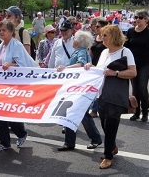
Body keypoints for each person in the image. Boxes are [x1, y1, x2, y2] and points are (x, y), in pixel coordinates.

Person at [85, 25, 137, 169]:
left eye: (105, 35)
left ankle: (108, 156)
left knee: (111, 124)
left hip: (115, 95)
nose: (102, 38)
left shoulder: (125, 52)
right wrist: (91, 66)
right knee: (103, 123)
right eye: (102, 35)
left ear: (114, 36)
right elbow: (100, 70)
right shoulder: (104, 52)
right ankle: (112, 146)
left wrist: (116, 73)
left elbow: (133, 72)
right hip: (101, 94)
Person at [0, 20, 36, 151]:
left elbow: (23, 66)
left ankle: (20, 133)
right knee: (0, 112)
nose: (1, 32)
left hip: (13, 85)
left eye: (4, 30)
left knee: (7, 113)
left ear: (11, 32)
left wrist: (10, 65)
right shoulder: (0, 46)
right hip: (0, 85)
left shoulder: (17, 46)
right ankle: (5, 142)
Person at [55, 30, 102, 152]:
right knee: (73, 113)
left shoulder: (80, 52)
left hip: (80, 88)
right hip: (78, 87)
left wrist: (66, 68)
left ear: (79, 42)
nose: (73, 40)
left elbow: (81, 64)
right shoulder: (79, 51)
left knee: (81, 114)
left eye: (75, 38)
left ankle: (94, 138)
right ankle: (70, 142)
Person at [124, 10, 149, 122]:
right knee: (135, 89)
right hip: (132, 64)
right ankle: (136, 112)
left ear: (146, 19)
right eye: (136, 17)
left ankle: (145, 112)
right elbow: (125, 47)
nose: (137, 19)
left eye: (140, 17)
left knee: (142, 87)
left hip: (146, 64)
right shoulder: (130, 31)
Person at [89, 19, 108, 118]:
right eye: (95, 26)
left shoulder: (108, 39)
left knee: (103, 89)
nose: (95, 28)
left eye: (97, 26)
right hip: (94, 67)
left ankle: (101, 108)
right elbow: (90, 52)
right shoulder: (93, 38)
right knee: (95, 89)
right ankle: (95, 109)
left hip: (105, 67)